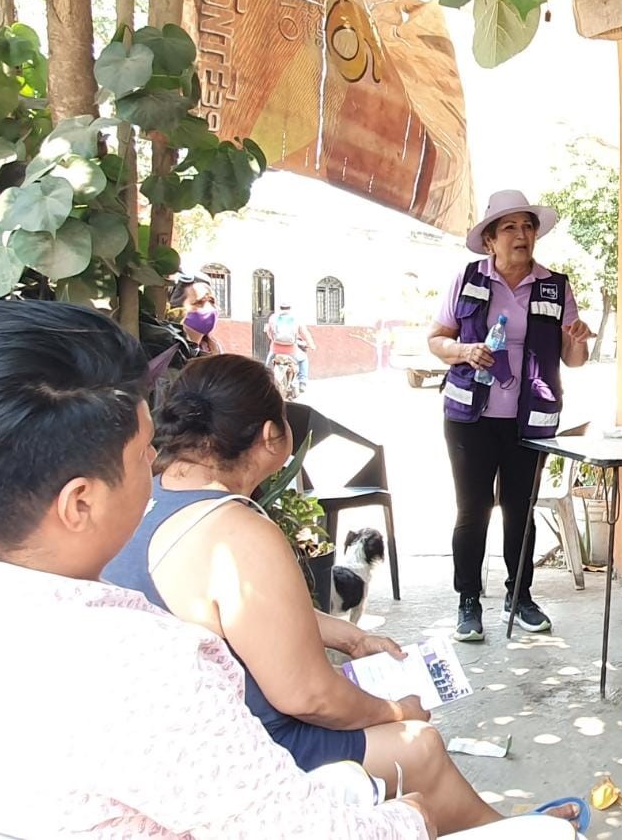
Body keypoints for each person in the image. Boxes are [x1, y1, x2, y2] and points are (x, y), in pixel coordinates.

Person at [0, 301, 431, 837]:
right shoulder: (147, 669)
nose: (159, 472)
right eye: (143, 457)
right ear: (80, 503)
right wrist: (415, 816)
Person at [103, 353, 579, 835]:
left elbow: (240, 613)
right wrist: (395, 711)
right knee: (419, 745)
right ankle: (513, 833)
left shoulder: (148, 496)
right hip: (244, 751)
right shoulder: (238, 532)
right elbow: (308, 696)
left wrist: (350, 637)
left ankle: (504, 828)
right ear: (271, 435)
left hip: (173, 742)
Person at [427, 190, 594, 642]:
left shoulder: (554, 286)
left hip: (530, 419)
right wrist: (465, 350)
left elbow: (574, 359)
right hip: (469, 416)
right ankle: (468, 601)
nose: (522, 235)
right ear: (490, 240)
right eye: (510, 228)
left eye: (528, 227)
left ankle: (519, 597)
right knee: (473, 509)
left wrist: (578, 340)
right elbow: (436, 339)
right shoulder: (467, 278)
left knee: (520, 509)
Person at [168, 270, 222, 356]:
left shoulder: (213, 350)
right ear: (177, 309)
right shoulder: (168, 351)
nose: (209, 308)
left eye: (211, 301)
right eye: (199, 303)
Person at [266, 302, 317, 390]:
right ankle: (302, 382)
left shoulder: (273, 318)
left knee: (267, 366)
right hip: (291, 350)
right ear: (290, 308)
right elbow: (305, 334)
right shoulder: (296, 319)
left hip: (275, 350)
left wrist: (273, 339)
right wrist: (311, 345)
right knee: (304, 359)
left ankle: (265, 382)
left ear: (280, 308)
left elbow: (269, 332)